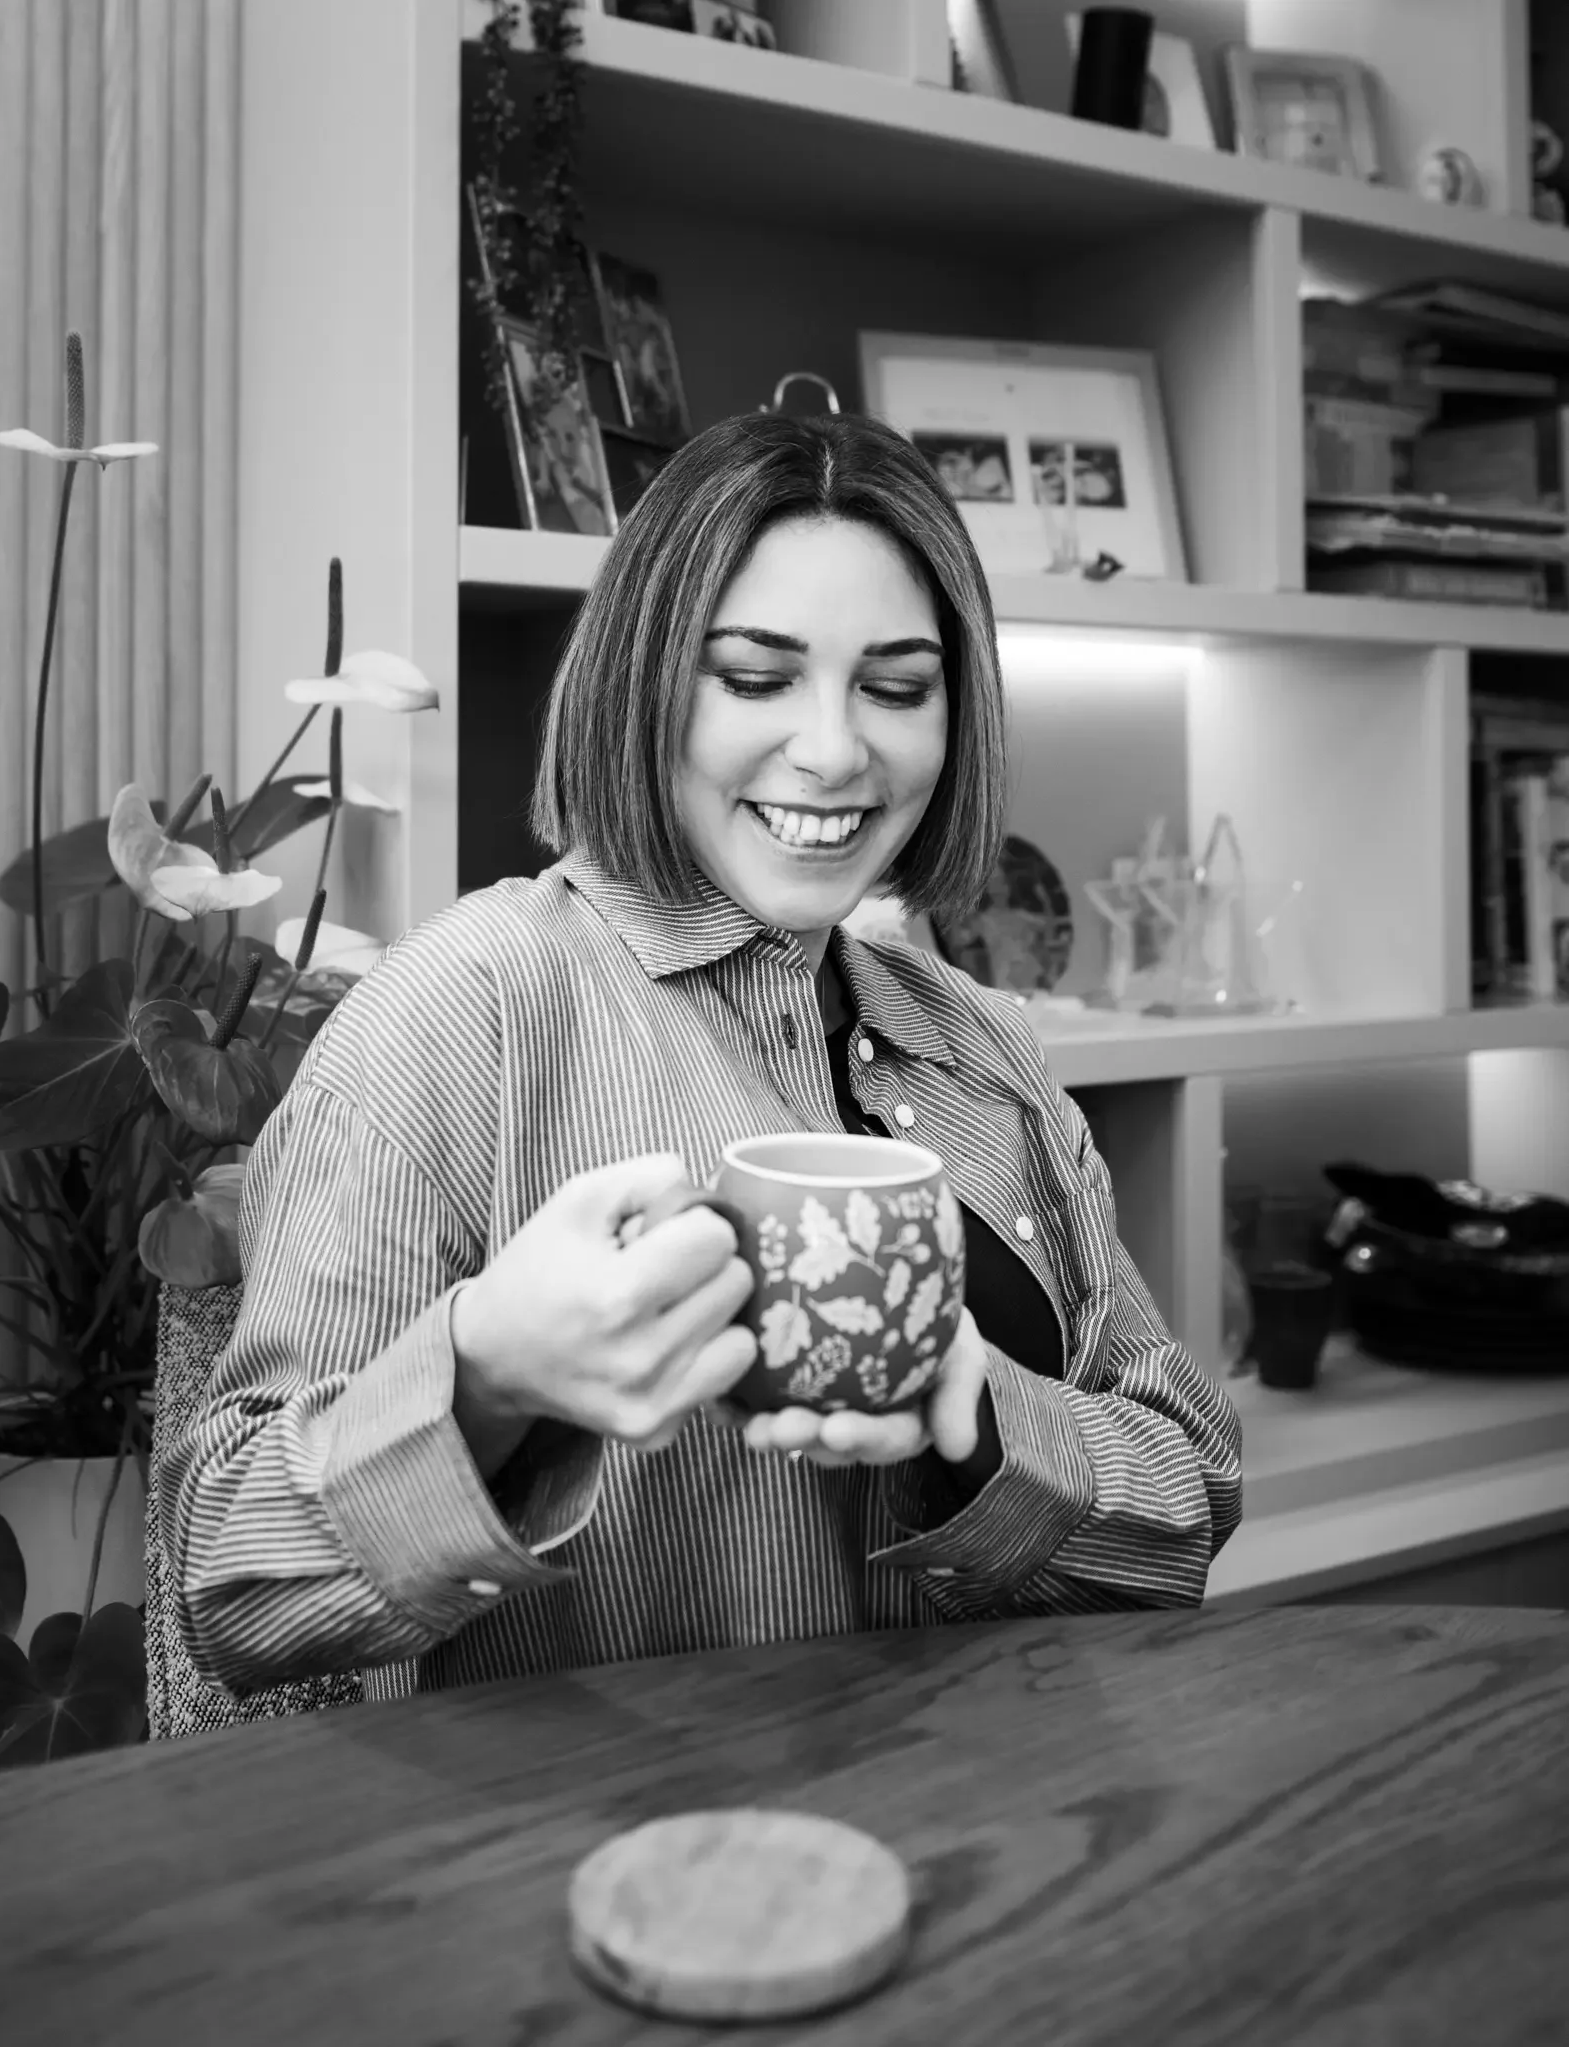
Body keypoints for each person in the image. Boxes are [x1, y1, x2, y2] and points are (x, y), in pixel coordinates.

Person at [158, 410, 1243, 1702]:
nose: (836, 750)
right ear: (641, 679)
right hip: (595, 1857)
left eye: (896, 687)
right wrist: (485, 1380)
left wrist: (980, 1413)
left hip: (979, 1826)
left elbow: (1186, 1499)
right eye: (753, 675)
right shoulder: (463, 1010)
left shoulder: (980, 1038)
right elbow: (232, 1579)